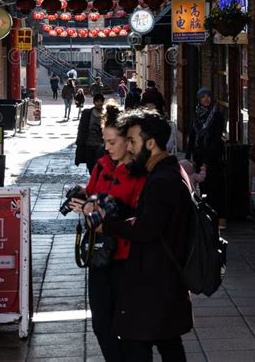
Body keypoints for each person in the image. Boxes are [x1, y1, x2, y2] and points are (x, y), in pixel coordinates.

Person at [96, 109, 193, 361]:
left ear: (150, 144)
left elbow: (146, 228)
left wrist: (109, 226)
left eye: (133, 141)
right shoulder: (168, 172)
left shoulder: (162, 180)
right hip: (163, 279)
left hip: (155, 280)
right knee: (168, 342)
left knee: (135, 343)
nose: (129, 147)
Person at [70, 103, 147, 362]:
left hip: (126, 258)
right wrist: (82, 197)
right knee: (101, 325)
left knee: (128, 327)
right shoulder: (102, 164)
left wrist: (104, 208)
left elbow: (140, 215)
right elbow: (92, 191)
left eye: (112, 142)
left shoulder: (140, 172)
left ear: (129, 142)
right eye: (105, 141)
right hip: (99, 254)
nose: (107, 147)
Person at [186, 87, 226, 228]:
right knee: (204, 188)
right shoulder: (196, 115)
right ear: (199, 100)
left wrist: (207, 158)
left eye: (208, 96)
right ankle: (207, 217)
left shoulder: (217, 115)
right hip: (199, 156)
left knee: (215, 187)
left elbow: (216, 138)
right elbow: (192, 136)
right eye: (203, 97)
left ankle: (220, 217)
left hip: (213, 158)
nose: (206, 99)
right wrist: (188, 155)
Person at [75, 93, 105, 173]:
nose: (99, 103)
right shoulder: (87, 113)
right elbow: (81, 128)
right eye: (97, 101)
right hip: (88, 144)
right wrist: (79, 142)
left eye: (101, 101)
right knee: (90, 165)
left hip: (100, 145)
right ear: (94, 102)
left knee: (100, 165)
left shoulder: (106, 114)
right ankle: (93, 180)